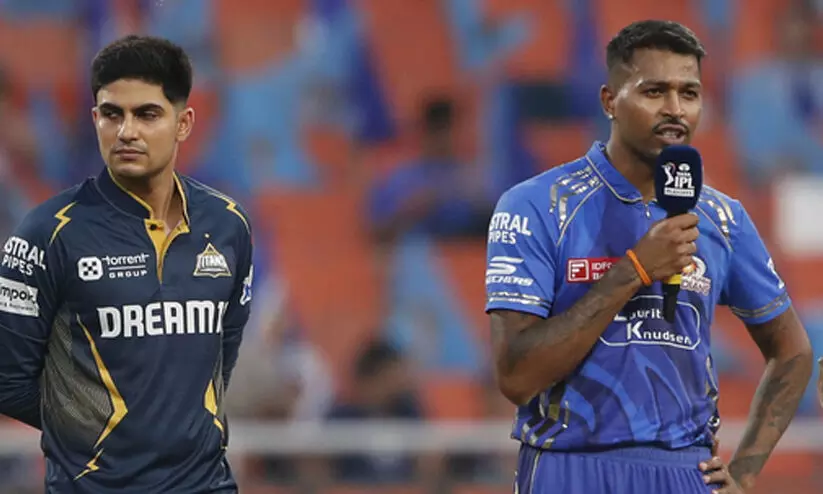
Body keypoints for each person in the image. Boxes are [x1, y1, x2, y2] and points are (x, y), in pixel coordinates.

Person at [484, 20, 813, 494]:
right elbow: (516, 377)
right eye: (654, 91)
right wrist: (635, 269)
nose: (675, 109)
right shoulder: (537, 205)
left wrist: (743, 475)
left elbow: (793, 353)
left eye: (689, 93)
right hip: (569, 469)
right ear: (609, 101)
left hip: (683, 472)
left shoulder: (722, 218)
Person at [0, 35, 254, 493]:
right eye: (112, 114)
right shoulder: (47, 233)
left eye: (147, 114)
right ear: (95, 119)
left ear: (183, 123)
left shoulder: (228, 225)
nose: (126, 131)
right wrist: (111, 435)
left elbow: (221, 356)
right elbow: (8, 381)